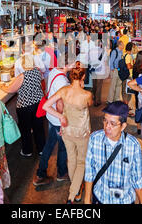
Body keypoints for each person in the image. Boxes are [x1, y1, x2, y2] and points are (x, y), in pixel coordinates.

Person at [43, 67, 93, 204]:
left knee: (71, 159)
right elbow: (90, 104)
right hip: (82, 132)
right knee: (81, 161)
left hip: (66, 131)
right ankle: (72, 195)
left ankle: (76, 190)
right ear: (83, 78)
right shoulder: (86, 95)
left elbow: (46, 106)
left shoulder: (63, 91)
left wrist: (61, 117)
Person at [84, 101, 142, 204]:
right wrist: (86, 200)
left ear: (123, 126)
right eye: (105, 121)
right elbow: (90, 172)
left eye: (112, 123)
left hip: (124, 200)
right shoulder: (94, 139)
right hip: (100, 198)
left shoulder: (133, 145)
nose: (107, 127)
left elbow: (136, 178)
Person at [33, 54, 74, 186]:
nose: (74, 66)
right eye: (73, 64)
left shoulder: (53, 71)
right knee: (62, 147)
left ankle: (40, 174)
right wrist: (63, 121)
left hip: (51, 116)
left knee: (49, 145)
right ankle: (61, 173)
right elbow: (61, 104)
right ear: (67, 65)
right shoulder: (62, 81)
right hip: (58, 118)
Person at [0, 54, 45, 157]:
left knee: (26, 129)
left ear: (24, 65)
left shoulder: (23, 75)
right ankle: (41, 149)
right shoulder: (37, 71)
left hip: (25, 106)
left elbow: (11, 89)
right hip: (38, 103)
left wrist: (2, 86)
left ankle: (27, 151)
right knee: (38, 127)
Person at [90, 39, 108, 106]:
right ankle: (97, 101)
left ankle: (94, 97)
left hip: (93, 69)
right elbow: (105, 61)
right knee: (99, 86)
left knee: (94, 85)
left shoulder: (91, 51)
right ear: (100, 44)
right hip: (100, 70)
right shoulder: (103, 51)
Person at [132, 51, 142, 135]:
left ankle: (138, 127)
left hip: (136, 88)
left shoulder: (135, 66)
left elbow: (134, 78)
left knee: (138, 107)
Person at [121, 42, 134, 107]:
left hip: (124, 74)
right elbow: (128, 66)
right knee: (128, 91)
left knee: (124, 89)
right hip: (128, 75)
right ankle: (126, 105)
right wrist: (134, 66)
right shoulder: (128, 56)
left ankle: (125, 105)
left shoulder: (124, 54)